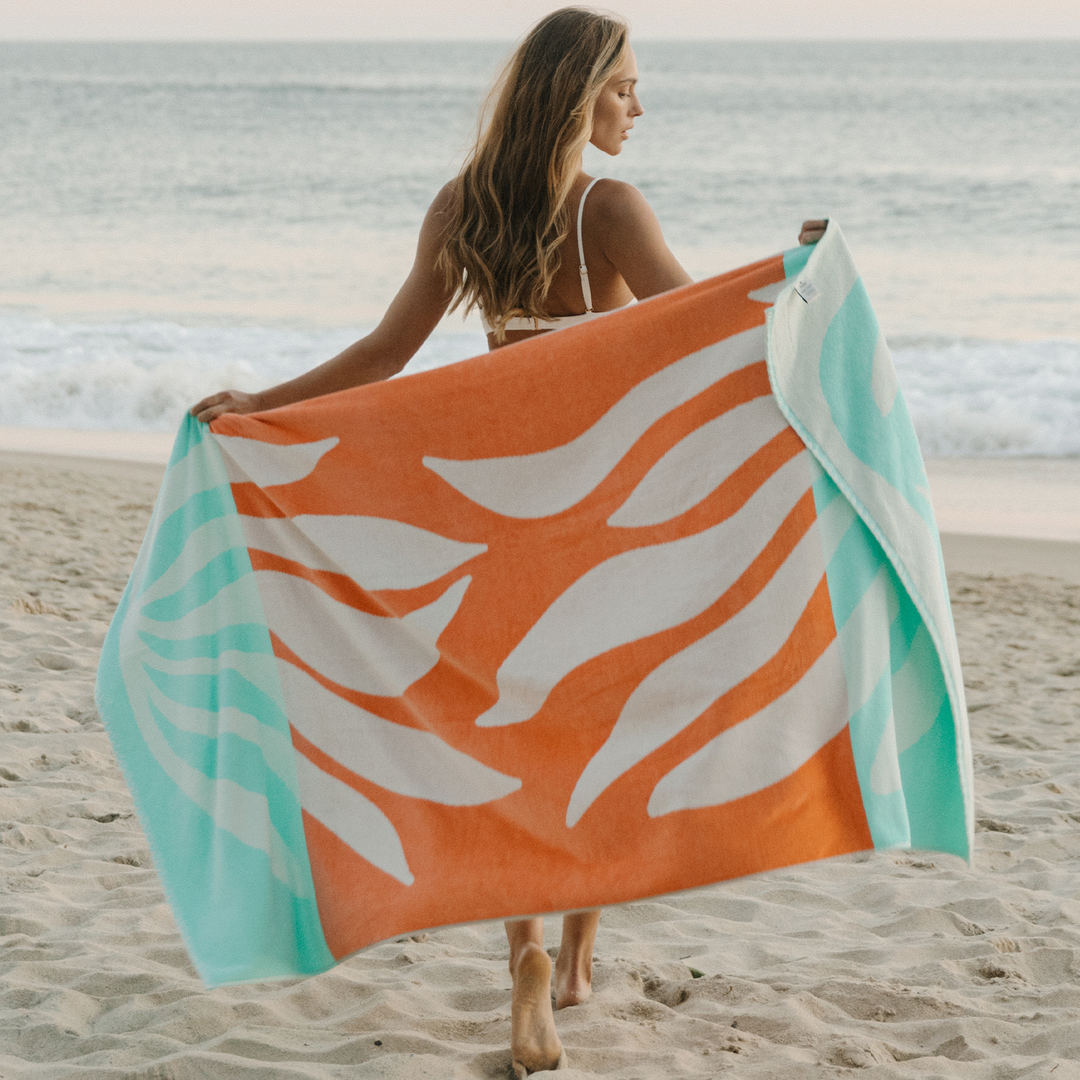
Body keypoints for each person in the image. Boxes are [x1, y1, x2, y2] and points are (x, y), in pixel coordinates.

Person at [192, 7, 826, 1073]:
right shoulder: (611, 210)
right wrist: (800, 277)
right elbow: (706, 324)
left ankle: (529, 955)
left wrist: (263, 403)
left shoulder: (466, 204)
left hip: (497, 512)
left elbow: (387, 353)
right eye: (625, 86)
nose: (640, 103)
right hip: (602, 511)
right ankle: (577, 964)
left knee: (517, 744)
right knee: (593, 733)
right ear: (581, 96)